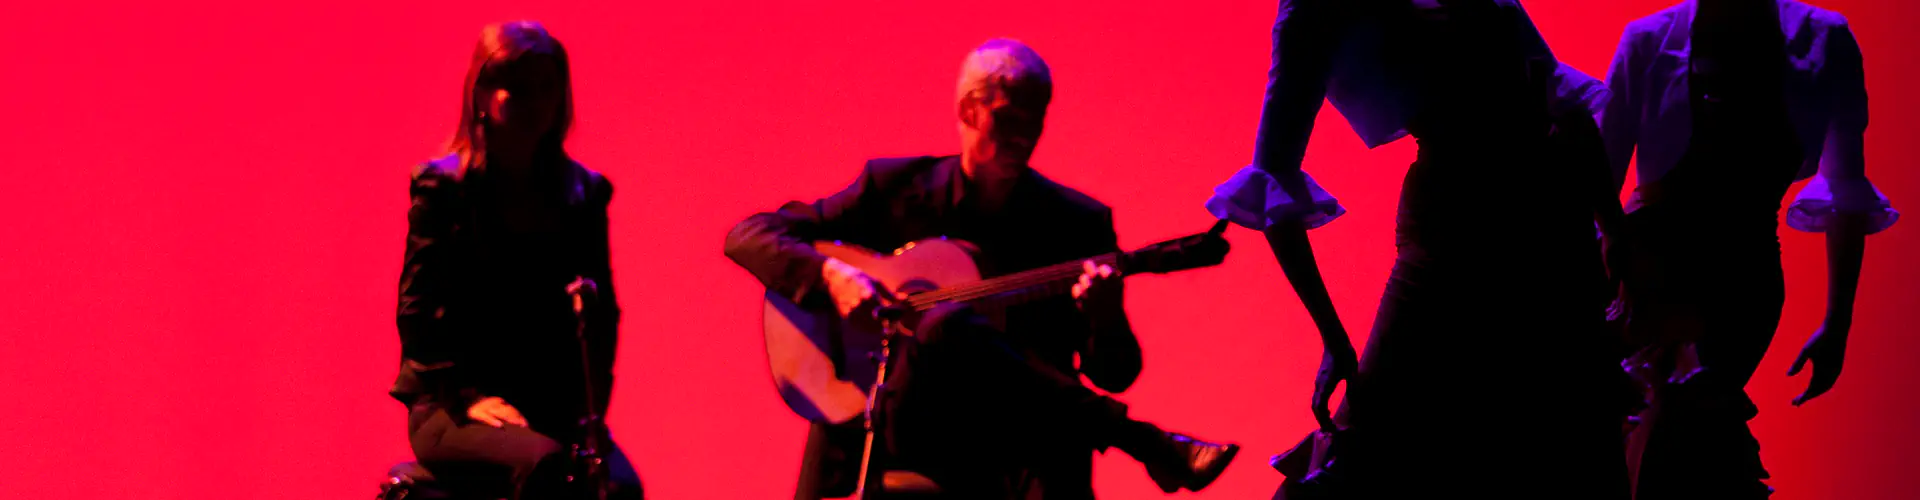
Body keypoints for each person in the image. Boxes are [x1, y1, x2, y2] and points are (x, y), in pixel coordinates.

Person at [724, 39, 1238, 500]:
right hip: (900, 420)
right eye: (1007, 120)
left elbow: (1115, 373)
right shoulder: (894, 189)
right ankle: (1145, 442)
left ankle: (1143, 443)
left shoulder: (1075, 224)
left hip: (1011, 437)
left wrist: (1103, 318)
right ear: (967, 111)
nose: (1023, 137)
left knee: (950, 326)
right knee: (945, 323)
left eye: (1034, 122)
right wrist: (831, 277)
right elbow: (748, 235)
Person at [1206, 1, 1632, 497]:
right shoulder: (1313, 8)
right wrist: (1334, 338)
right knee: (1368, 446)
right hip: (1461, 219)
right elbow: (1270, 176)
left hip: (1551, 217)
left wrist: (1614, 231)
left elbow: (1559, 97)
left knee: (1567, 434)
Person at [1601, 1, 1899, 498]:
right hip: (1644, 277)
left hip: (1743, 286)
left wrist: (1838, 324)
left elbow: (1846, 189)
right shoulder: (1649, 39)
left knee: (1683, 434)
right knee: (1652, 435)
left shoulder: (1825, 39)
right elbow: (1595, 185)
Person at [389, 21, 643, 500]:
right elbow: (417, 312)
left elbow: (601, 314)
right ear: (481, 94)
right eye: (518, 88)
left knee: (620, 488)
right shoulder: (444, 190)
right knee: (544, 466)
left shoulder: (582, 194)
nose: (535, 103)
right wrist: (466, 398)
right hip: (451, 405)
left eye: (547, 88)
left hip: (549, 407)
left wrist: (588, 416)